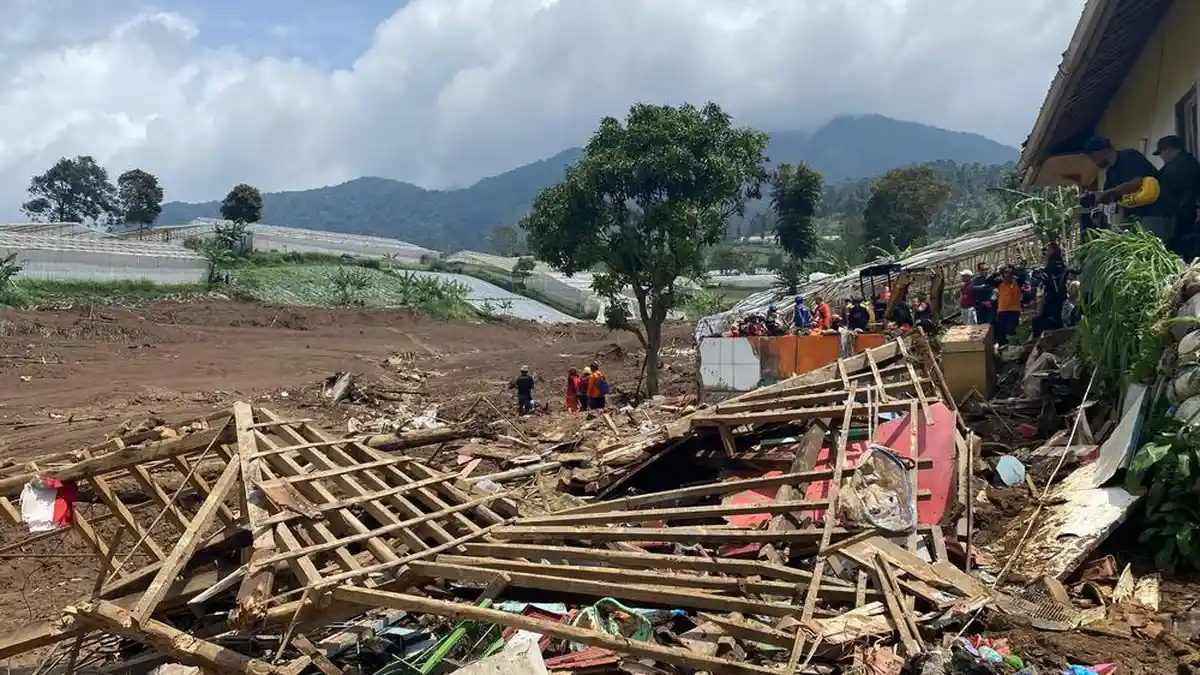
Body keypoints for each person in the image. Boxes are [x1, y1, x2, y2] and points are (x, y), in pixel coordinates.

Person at [1082, 135, 1173, 242]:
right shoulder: (1111, 172)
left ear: (1102, 151)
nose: (1094, 162)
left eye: (1093, 157)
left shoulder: (1130, 156)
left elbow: (1136, 183)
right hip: (1134, 217)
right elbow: (1110, 196)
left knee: (1155, 247)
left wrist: (1106, 193)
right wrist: (1095, 198)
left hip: (1155, 213)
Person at [1153, 134, 1200, 260]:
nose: (1162, 157)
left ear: (1168, 150)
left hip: (1178, 213)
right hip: (1188, 211)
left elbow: (1164, 186)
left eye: (1161, 153)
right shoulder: (1190, 162)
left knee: (1178, 248)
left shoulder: (1176, 166)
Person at [1032, 242, 1069, 338]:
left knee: (1042, 319)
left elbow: (1048, 279)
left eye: (1048, 250)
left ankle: (1042, 339)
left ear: (1052, 250)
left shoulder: (1052, 263)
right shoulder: (1060, 262)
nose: (1046, 252)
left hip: (1052, 296)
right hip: (1061, 294)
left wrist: (1041, 274)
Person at [993, 266, 1022, 347]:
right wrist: (998, 273)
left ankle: (1013, 348)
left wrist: (1012, 270)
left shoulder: (1017, 282)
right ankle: (1003, 349)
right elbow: (989, 280)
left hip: (1013, 310)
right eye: (1005, 272)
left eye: (1010, 272)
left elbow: (1022, 274)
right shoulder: (1000, 284)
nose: (1008, 274)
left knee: (1011, 330)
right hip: (1002, 311)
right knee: (1001, 332)